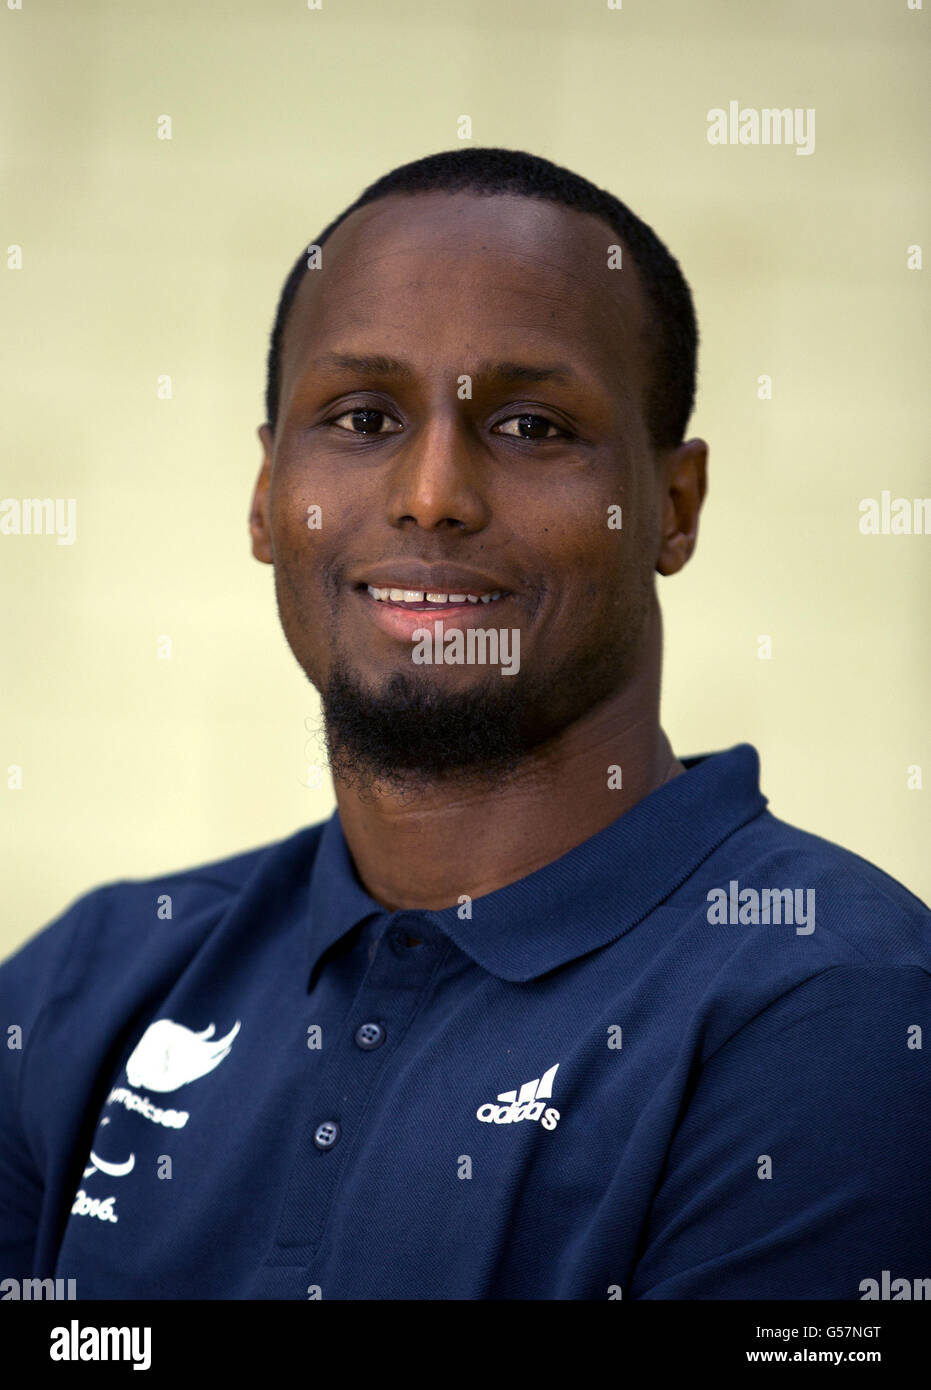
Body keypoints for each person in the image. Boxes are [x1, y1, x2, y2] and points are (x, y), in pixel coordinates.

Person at [1, 147, 928, 1301]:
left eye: (533, 426)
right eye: (362, 415)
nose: (433, 490)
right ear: (263, 494)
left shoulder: (836, 1001)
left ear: (672, 510)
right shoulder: (85, 984)